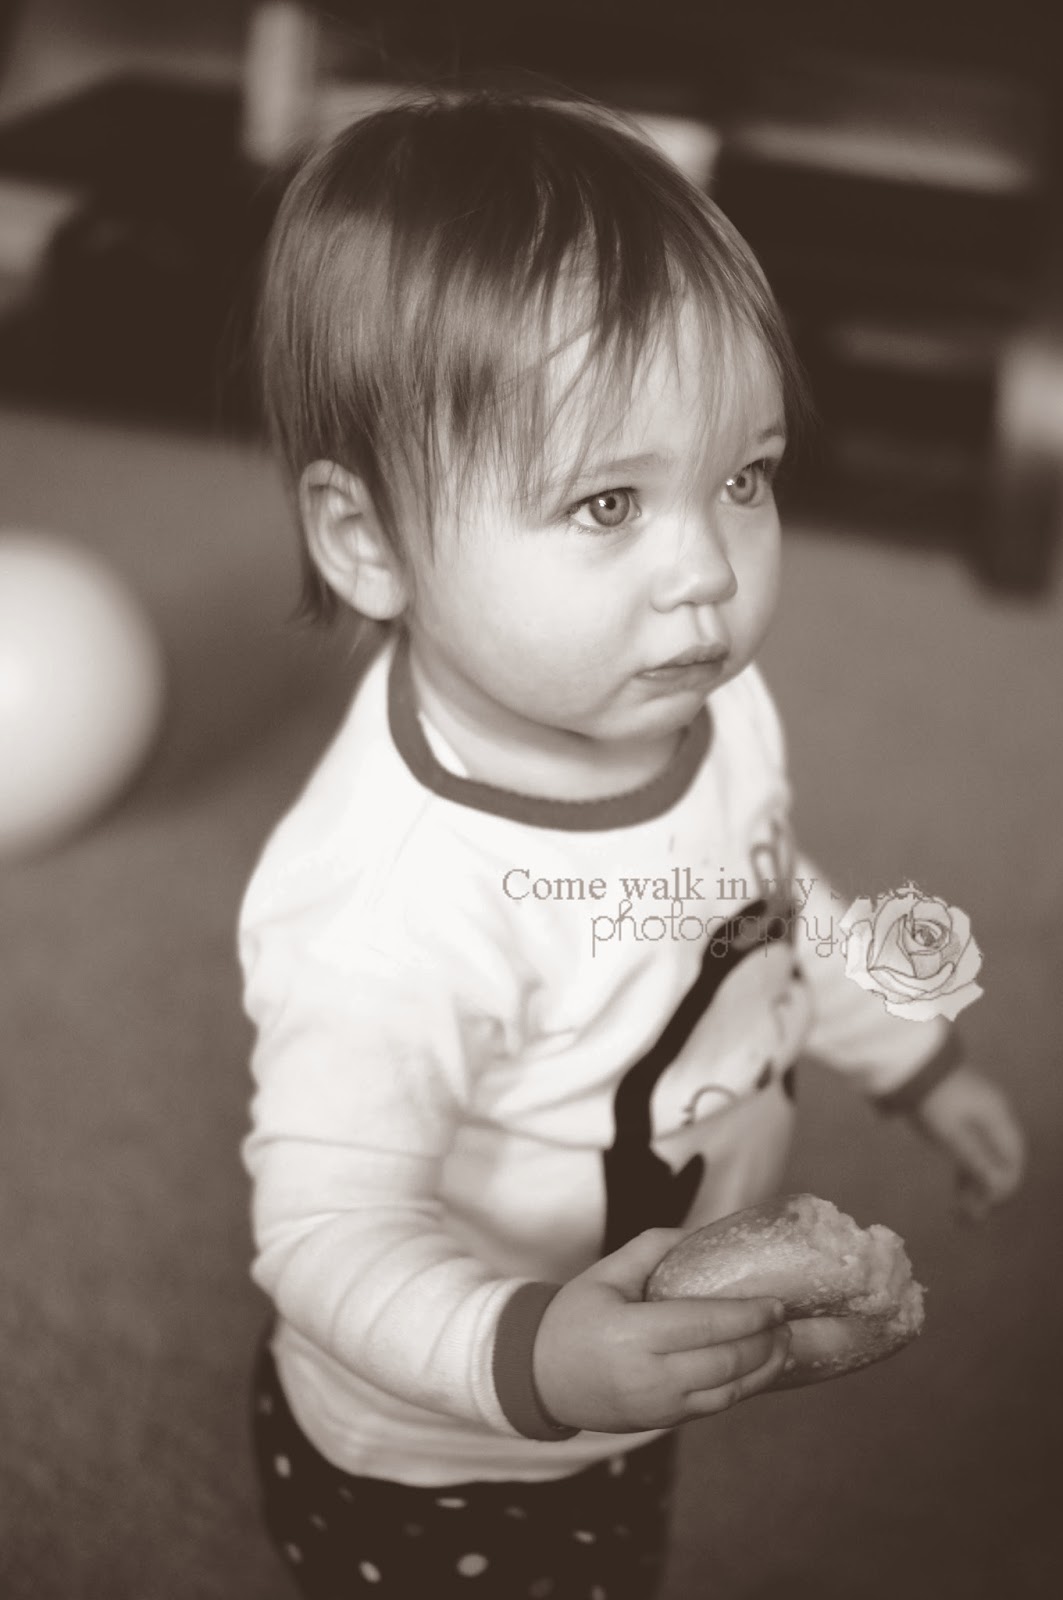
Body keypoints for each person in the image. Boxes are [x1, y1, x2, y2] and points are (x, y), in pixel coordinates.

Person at [239, 90, 1024, 1600]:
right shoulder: (388, 908)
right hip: (446, 1453)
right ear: (368, 542)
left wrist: (914, 1057)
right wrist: (536, 1357)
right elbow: (326, 1233)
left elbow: (764, 894)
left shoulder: (694, 695)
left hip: (629, 1368)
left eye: (743, 478)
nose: (708, 572)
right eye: (608, 500)